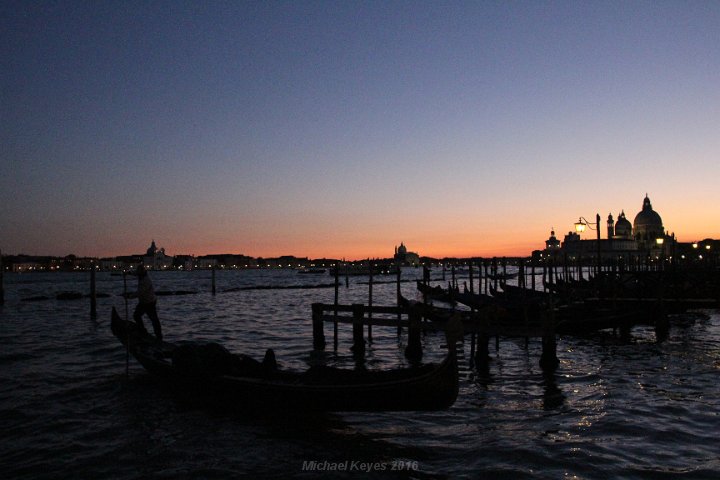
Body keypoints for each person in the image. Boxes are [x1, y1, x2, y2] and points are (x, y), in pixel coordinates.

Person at [133, 264, 162, 341]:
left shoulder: (145, 280)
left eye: (138, 272)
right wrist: (127, 273)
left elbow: (140, 292)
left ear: (141, 272)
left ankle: (159, 337)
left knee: (154, 320)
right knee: (136, 315)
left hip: (149, 302)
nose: (137, 274)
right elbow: (134, 274)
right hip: (144, 301)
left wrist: (130, 296)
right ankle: (143, 330)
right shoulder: (142, 276)